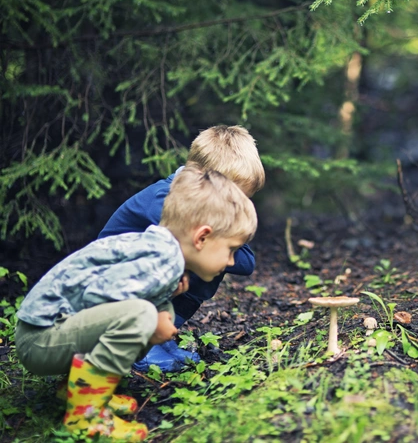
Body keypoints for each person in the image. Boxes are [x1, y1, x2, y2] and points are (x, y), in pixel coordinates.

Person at [14, 166, 258, 440]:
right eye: (231, 250)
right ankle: (85, 416)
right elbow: (98, 298)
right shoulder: (160, 260)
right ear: (201, 237)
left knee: (149, 314)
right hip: (39, 340)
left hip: (50, 333)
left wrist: (163, 305)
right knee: (142, 317)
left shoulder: (160, 252)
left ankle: (78, 389)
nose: (232, 262)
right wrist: (153, 316)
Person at [99, 125, 265, 372]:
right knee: (189, 254)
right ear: (202, 178)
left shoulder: (202, 209)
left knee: (207, 262)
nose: (236, 208)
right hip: (106, 288)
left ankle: (157, 336)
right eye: (232, 198)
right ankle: (136, 342)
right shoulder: (165, 200)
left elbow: (245, 263)